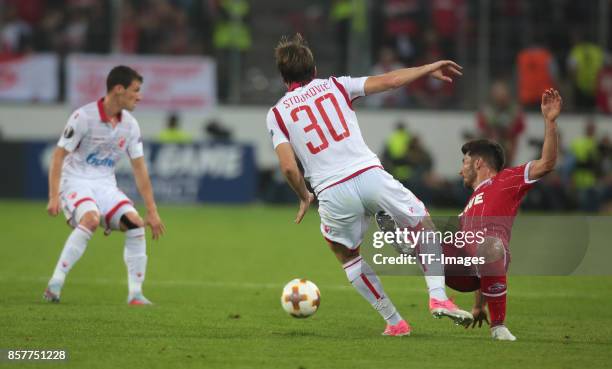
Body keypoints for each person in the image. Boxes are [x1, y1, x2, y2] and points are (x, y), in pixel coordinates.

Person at [266, 33, 472, 337]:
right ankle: (438, 296)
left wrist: (303, 196)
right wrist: (427, 68)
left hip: (331, 193)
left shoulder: (277, 114)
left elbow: (287, 166)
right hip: (370, 176)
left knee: (347, 255)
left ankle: (395, 322)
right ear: (314, 70)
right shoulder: (336, 85)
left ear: (284, 78)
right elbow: (389, 81)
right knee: (422, 223)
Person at [445, 89, 562, 341]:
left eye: (464, 162)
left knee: (490, 246)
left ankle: (499, 327)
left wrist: (550, 122)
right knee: (430, 233)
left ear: (478, 163)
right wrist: (479, 304)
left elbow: (547, 163)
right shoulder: (467, 208)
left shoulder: (507, 179)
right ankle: (436, 294)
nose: (459, 170)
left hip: (493, 253)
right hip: (464, 271)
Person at [44, 65, 165, 305]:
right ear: (119, 89)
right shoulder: (83, 117)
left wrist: (152, 210)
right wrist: (54, 195)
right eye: (136, 90)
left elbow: (139, 168)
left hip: (105, 184)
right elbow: (58, 156)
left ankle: (135, 294)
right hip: (75, 181)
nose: (139, 96)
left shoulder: (130, 125)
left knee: (135, 223)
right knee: (90, 218)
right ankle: (55, 283)